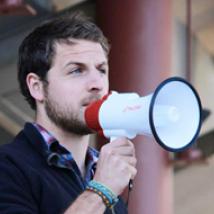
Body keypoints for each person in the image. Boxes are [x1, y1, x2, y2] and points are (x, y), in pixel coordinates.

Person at [0, 13, 137, 214]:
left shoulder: (105, 178)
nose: (97, 84)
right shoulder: (8, 168)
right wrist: (100, 192)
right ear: (37, 87)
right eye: (76, 71)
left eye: (101, 70)